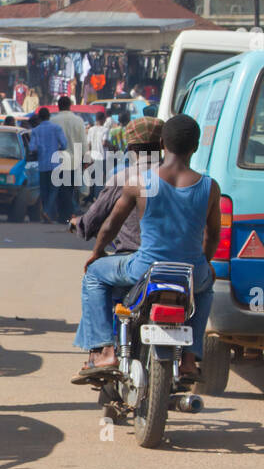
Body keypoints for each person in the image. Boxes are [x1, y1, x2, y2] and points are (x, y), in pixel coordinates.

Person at [73, 114, 219, 384]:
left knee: (94, 274)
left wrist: (97, 253)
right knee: (207, 287)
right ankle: (189, 359)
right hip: (190, 273)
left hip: (145, 270)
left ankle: (105, 351)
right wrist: (204, 262)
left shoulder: (139, 182)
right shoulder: (210, 187)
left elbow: (110, 226)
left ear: (163, 144)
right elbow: (212, 236)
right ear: (196, 147)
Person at [68, 116, 161, 256]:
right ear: (163, 144)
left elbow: (96, 217)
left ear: (129, 147)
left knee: (92, 274)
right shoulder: (183, 178)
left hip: (133, 257)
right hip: (180, 259)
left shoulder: (124, 178)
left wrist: (79, 223)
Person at [29, 107, 68, 224]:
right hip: (55, 164)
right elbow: (64, 144)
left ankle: (46, 213)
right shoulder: (56, 128)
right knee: (54, 190)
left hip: (42, 164)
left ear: (39, 118)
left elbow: (32, 148)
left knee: (44, 191)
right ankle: (46, 211)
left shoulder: (36, 130)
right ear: (49, 116)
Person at [50, 96, 86, 219]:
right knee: (69, 188)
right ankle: (67, 213)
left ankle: (65, 213)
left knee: (61, 188)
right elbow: (83, 142)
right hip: (73, 160)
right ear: (70, 105)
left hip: (57, 160)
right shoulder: (78, 121)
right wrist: (84, 159)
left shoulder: (53, 121)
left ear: (58, 106)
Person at [84, 110, 110, 202]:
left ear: (96, 119)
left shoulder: (91, 129)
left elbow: (88, 144)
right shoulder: (105, 130)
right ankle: (98, 198)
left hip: (92, 156)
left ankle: (90, 196)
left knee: (92, 177)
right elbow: (104, 143)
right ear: (103, 119)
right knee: (99, 178)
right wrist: (111, 145)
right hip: (101, 156)